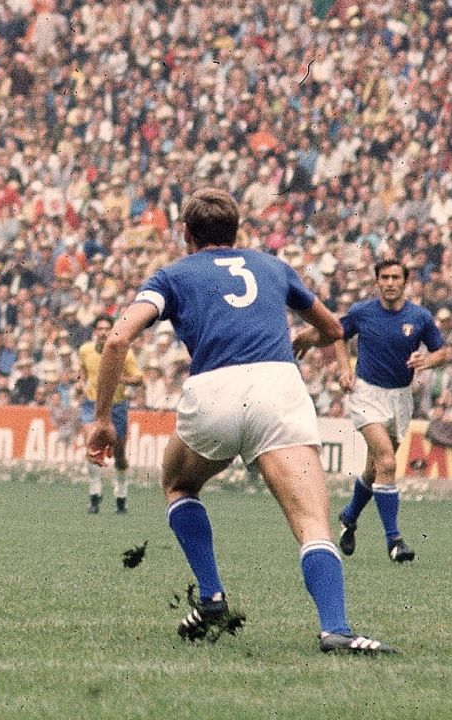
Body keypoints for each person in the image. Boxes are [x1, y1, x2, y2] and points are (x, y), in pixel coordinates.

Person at [86, 187, 393, 654]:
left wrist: (104, 418)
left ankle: (211, 596)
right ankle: (335, 628)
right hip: (279, 387)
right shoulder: (272, 266)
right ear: (238, 233)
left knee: (178, 484)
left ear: (186, 234)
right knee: (312, 522)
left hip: (214, 390)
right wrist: (308, 341)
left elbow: (116, 341)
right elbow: (333, 328)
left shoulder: (171, 275)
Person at [299, 259, 451, 563]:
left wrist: (427, 361)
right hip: (366, 394)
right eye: (384, 277)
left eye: (396, 277)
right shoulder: (362, 312)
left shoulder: (419, 317)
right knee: (386, 460)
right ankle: (394, 540)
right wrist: (344, 369)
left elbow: (444, 351)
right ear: (377, 281)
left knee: (375, 469)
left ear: (406, 282)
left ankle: (350, 516)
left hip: (400, 398)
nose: (390, 282)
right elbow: (337, 333)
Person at [78, 315, 143, 514]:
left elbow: (138, 379)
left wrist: (119, 378)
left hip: (116, 407)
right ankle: (94, 495)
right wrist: (80, 382)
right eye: (100, 329)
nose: (103, 332)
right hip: (93, 404)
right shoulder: (85, 350)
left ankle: (121, 495)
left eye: (107, 329)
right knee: (92, 445)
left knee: (119, 455)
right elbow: (82, 371)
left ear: (112, 331)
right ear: (95, 332)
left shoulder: (124, 353)